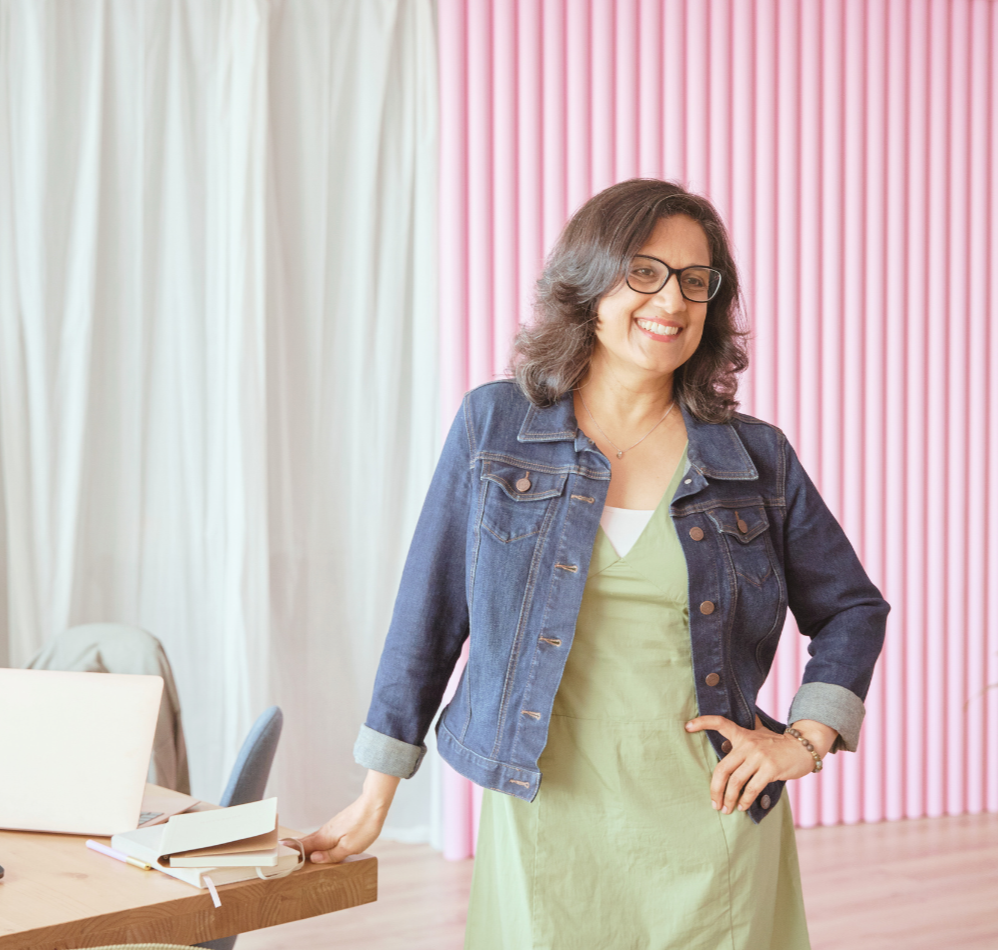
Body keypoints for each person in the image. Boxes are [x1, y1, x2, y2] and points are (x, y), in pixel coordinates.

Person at [300, 179, 889, 949]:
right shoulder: (495, 426)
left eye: (694, 281)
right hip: (547, 814)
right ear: (588, 283)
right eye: (643, 272)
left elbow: (851, 608)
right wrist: (375, 795)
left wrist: (806, 739)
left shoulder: (754, 458)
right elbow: (430, 613)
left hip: (710, 817)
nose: (670, 301)